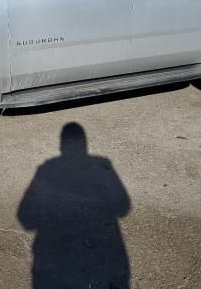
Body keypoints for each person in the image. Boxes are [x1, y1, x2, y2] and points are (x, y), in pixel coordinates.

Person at [17, 122, 131, 288]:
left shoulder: (46, 169)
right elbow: (123, 207)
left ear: (61, 144)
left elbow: (25, 218)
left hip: (54, 259)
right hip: (98, 255)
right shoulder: (102, 165)